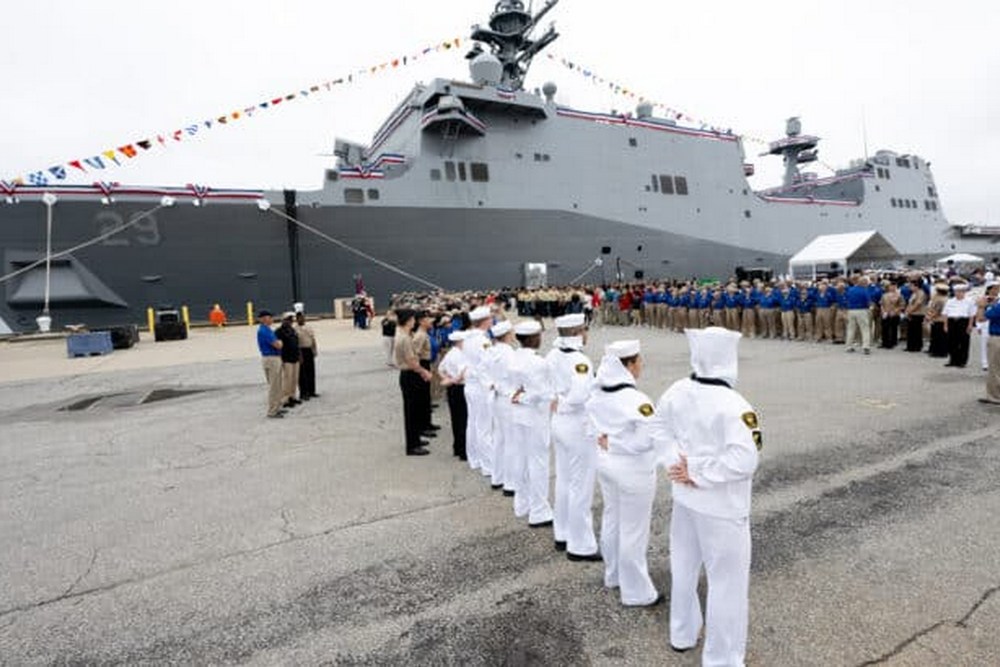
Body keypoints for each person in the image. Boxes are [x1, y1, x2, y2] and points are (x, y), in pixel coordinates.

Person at [656, 327, 760, 663]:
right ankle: (723, 660)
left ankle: (682, 633)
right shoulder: (735, 404)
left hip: (685, 498)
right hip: (721, 507)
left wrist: (676, 464)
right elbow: (746, 460)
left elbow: (658, 427)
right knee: (727, 586)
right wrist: (697, 471)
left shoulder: (677, 389)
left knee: (684, 567)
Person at [585, 340, 662, 607]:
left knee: (612, 518)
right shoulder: (636, 399)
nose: (641, 365)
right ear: (629, 365)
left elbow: (592, 428)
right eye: (638, 360)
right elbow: (647, 439)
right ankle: (637, 592)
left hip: (606, 464)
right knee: (634, 531)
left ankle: (614, 575)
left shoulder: (597, 393)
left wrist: (608, 442)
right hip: (632, 469)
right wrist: (617, 443)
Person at [546, 313, 600, 560]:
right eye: (585, 329)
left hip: (558, 423)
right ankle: (581, 545)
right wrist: (566, 403)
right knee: (581, 485)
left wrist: (556, 400)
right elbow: (580, 395)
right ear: (579, 331)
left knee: (564, 480)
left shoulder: (553, 354)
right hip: (576, 423)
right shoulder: (580, 360)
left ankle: (563, 533)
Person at [509, 320, 556, 528]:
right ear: (532, 338)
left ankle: (522, 503)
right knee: (538, 463)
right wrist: (523, 397)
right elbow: (541, 393)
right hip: (534, 415)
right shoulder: (538, 362)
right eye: (538, 335)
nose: (540, 338)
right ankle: (539, 511)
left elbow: (511, 386)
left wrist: (518, 396)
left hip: (518, 415)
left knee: (521, 459)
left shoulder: (514, 357)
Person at [394, 310, 432, 456]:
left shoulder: (404, 335)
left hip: (410, 374)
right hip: (410, 375)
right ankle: (412, 445)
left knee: (415, 410)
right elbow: (411, 361)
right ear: (409, 320)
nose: (414, 322)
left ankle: (416, 439)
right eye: (412, 319)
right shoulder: (404, 338)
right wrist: (424, 372)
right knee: (411, 411)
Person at [438, 330, 470, 459]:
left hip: (452, 389)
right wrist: (454, 380)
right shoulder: (459, 355)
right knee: (463, 419)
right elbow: (462, 372)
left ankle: (457, 447)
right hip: (460, 386)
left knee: (456, 419)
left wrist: (446, 379)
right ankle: (463, 450)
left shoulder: (450, 353)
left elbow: (441, 369)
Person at [256, 310, 284, 419]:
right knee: (274, 386)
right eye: (269, 317)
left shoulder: (267, 330)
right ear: (263, 319)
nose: (272, 319)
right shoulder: (264, 331)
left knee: (277, 385)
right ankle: (272, 411)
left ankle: (277, 407)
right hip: (271, 359)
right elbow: (277, 345)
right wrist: (280, 343)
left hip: (273, 358)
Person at [943, 282, 977, 368]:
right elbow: (945, 314)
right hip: (952, 321)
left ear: (964, 292)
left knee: (963, 342)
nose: (958, 293)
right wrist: (945, 325)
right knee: (951, 342)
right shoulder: (950, 301)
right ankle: (953, 360)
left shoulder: (969, 301)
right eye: (957, 291)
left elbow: (971, 314)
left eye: (961, 291)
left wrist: (970, 325)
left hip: (963, 321)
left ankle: (962, 361)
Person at [978, 283, 1000, 405]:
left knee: (995, 368)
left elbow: (981, 318)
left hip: (997, 337)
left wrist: (981, 306)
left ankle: (995, 396)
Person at [276, 312, 302, 408]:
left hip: (295, 358)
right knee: (287, 380)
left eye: (291, 319)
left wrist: (299, 355)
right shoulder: (279, 331)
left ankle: (292, 396)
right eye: (288, 319)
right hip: (286, 358)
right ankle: (285, 399)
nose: (290, 321)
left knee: (294, 379)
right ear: (283, 320)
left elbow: (296, 343)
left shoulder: (292, 330)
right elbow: (278, 346)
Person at [844, 276, 873, 354]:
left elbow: (846, 299)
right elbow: (868, 301)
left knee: (851, 329)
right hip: (862, 310)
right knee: (865, 329)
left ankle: (848, 346)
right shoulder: (864, 290)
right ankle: (866, 346)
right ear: (863, 283)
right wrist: (871, 308)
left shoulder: (850, 290)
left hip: (851, 310)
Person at [295, 312, 319, 400]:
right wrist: (299, 355)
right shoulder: (295, 329)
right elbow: (296, 343)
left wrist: (314, 350)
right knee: (302, 374)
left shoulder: (309, 327)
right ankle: (304, 393)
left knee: (311, 372)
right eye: (299, 318)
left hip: (309, 350)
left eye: (302, 317)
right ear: (297, 319)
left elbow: (313, 339)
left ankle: (312, 391)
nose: (301, 319)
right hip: (301, 351)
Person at [904, 277, 928, 352]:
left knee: (916, 331)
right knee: (911, 331)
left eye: (911, 286)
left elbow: (918, 304)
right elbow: (910, 303)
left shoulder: (921, 293)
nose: (910, 287)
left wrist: (910, 311)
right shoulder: (914, 293)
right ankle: (910, 345)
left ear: (916, 286)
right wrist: (907, 311)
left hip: (918, 314)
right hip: (912, 313)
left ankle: (916, 346)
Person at [879, 282, 905, 349]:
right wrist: (883, 311)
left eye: (894, 286)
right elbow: (881, 304)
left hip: (894, 314)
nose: (892, 288)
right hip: (885, 313)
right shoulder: (884, 295)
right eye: (891, 286)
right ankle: (884, 342)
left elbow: (902, 305)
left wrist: (896, 311)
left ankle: (893, 342)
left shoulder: (899, 295)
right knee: (884, 328)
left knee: (893, 328)